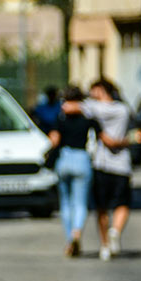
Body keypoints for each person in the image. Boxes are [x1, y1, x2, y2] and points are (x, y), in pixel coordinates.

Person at [62, 78, 136, 261]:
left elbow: (68, 107)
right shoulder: (123, 109)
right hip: (122, 164)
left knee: (101, 208)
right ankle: (116, 231)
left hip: (101, 164)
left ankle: (104, 245)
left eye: (93, 89)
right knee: (123, 204)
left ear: (102, 90)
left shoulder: (95, 109)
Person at [48, 85, 101, 257]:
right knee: (80, 202)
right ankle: (77, 233)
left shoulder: (61, 118)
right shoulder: (87, 117)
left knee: (66, 203)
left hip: (64, 158)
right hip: (82, 158)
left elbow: (54, 140)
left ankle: (69, 239)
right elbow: (99, 135)